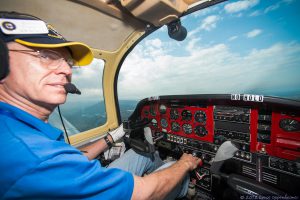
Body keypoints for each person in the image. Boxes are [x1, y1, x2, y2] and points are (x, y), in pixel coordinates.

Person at [0, 11, 201, 199]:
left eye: (68, 62)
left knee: (144, 155)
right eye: (45, 55)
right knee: (177, 170)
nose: (66, 69)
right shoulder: (31, 157)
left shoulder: (16, 129)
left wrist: (111, 137)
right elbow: (144, 194)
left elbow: (70, 159)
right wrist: (184, 163)